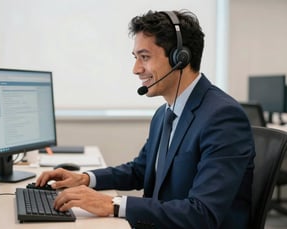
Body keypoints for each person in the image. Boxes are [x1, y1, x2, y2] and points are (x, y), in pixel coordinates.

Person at [36, 9, 255, 228]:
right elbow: (140, 169)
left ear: (180, 58)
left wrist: (113, 204)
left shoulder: (222, 117)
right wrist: (85, 179)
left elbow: (202, 213)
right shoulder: (164, 113)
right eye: (136, 58)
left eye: (145, 57)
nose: (136, 69)